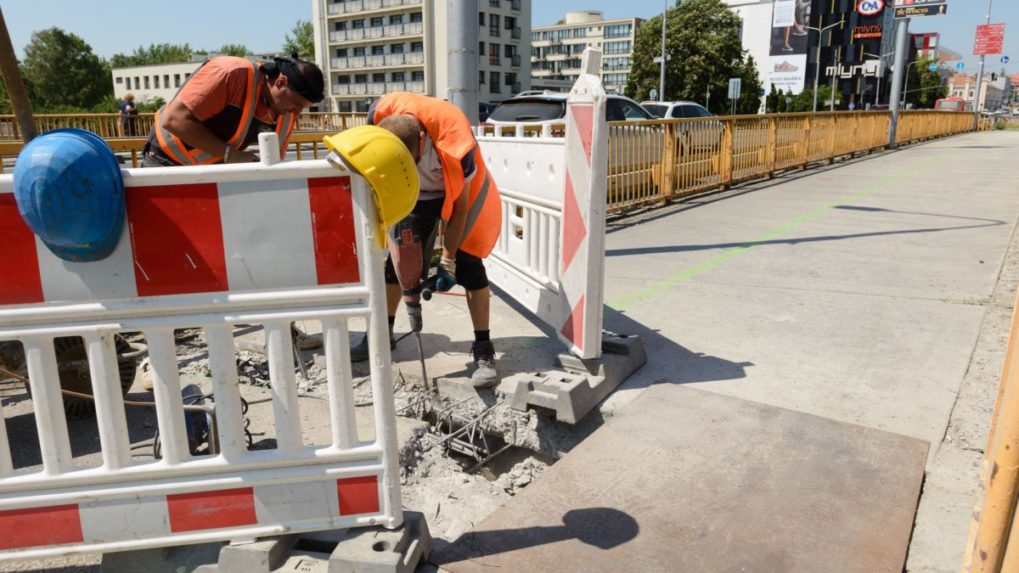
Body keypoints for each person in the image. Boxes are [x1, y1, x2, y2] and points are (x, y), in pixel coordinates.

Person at [353, 92, 503, 387]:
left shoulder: (457, 146)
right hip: (415, 195)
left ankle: (483, 348)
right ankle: (381, 336)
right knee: (398, 263)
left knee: (470, 263)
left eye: (415, 159)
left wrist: (448, 260)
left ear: (423, 138)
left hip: (457, 190)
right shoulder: (380, 116)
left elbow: (459, 211)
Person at [142, 53, 323, 167]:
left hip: (211, 170)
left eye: (303, 108)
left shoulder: (285, 110)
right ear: (280, 82)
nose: (296, 113)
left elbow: (275, 164)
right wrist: (231, 155)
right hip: (165, 161)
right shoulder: (230, 74)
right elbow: (174, 120)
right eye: (296, 104)